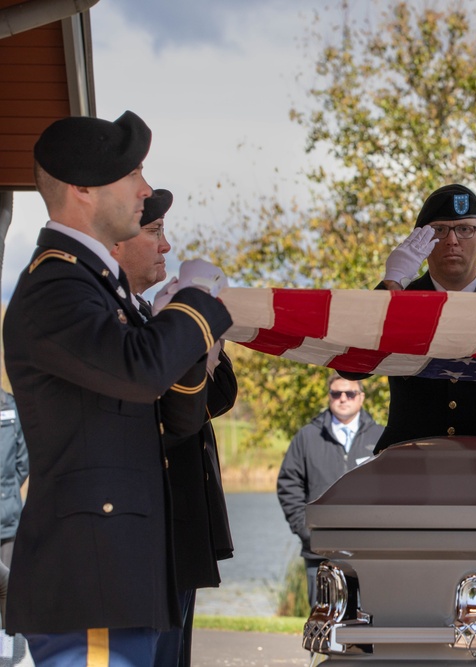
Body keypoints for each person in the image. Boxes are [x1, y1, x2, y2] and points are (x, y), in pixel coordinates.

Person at [2, 111, 232, 666]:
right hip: (94, 580)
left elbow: (177, 420)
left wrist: (198, 349)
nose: (145, 190)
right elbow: (139, 369)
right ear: (83, 189)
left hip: (123, 576)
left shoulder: (98, 290)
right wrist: (194, 306)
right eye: (132, 174)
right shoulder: (58, 285)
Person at [111, 188, 238, 666]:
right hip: (148, 531)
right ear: (118, 243)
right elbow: (159, 411)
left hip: (180, 527)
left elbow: (218, 397)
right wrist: (180, 331)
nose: (167, 246)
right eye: (155, 231)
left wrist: (204, 335)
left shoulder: (144, 311)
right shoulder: (117, 317)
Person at [342, 183, 476, 453]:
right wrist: (392, 284)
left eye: (465, 229)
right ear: (420, 241)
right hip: (409, 471)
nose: (452, 240)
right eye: (439, 230)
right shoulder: (400, 302)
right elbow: (351, 366)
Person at [277, 372, 384, 607]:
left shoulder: (381, 438)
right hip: (320, 555)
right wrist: (308, 532)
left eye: (350, 393)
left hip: (370, 556)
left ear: (361, 397)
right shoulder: (307, 437)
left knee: (369, 631)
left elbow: (393, 490)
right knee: (324, 631)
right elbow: (288, 486)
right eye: (336, 393)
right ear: (329, 397)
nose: (343, 398)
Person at [0, 388, 27, 627]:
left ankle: (6, 653)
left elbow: (23, 460)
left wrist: (6, 493)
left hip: (7, 519)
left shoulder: (9, 406)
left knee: (9, 589)